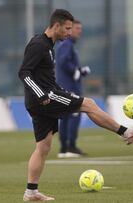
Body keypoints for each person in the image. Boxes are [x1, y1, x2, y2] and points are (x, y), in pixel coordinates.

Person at [18, 9, 133, 201]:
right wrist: (42, 94)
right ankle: (126, 132)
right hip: (43, 99)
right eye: (67, 28)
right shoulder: (39, 44)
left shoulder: (49, 45)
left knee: (43, 147)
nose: (70, 33)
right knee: (88, 104)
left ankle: (30, 192)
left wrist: (59, 90)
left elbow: (45, 77)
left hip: (44, 97)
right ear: (56, 26)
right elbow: (24, 73)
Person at [55, 20, 90, 158]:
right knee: (74, 115)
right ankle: (70, 147)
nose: (79, 31)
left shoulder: (66, 44)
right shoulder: (67, 44)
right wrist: (75, 71)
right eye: (76, 28)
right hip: (70, 87)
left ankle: (64, 148)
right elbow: (63, 62)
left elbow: (62, 63)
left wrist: (80, 71)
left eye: (80, 28)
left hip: (65, 86)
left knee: (65, 117)